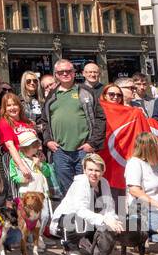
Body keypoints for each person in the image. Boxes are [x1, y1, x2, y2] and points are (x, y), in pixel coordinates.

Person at [39, 59, 107, 198]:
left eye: (68, 71)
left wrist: (92, 143)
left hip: (83, 150)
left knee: (88, 189)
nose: (65, 74)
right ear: (56, 75)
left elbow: (100, 119)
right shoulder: (52, 95)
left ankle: (88, 217)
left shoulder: (86, 91)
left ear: (74, 72)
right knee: (67, 192)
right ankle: (73, 218)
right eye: (61, 72)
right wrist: (48, 141)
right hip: (60, 152)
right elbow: (44, 121)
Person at [49, 153, 122, 255]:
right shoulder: (80, 183)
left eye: (97, 170)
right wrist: (104, 220)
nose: (93, 173)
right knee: (79, 220)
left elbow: (109, 208)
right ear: (84, 170)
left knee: (104, 250)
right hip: (67, 221)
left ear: (103, 171)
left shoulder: (104, 183)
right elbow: (80, 210)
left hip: (89, 222)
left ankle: (83, 240)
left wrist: (113, 221)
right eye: (90, 169)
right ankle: (69, 246)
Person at [123, 131, 158, 244]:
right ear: (148, 147)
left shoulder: (156, 163)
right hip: (141, 210)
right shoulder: (134, 163)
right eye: (157, 143)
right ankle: (140, 236)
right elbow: (135, 191)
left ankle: (145, 237)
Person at [0, 91, 37, 181]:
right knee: (20, 190)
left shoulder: (27, 121)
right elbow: (10, 146)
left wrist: (39, 154)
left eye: (15, 104)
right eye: (9, 105)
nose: (12, 108)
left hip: (32, 158)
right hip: (15, 159)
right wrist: (21, 166)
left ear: (19, 106)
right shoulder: (4, 122)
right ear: (4, 108)